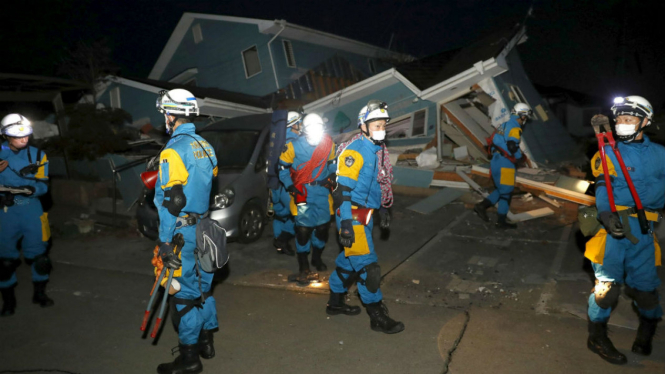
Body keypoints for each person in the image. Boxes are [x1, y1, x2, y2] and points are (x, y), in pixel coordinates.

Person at [585, 96, 662, 365]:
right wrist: (606, 214)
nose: (621, 124)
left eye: (628, 119)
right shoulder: (608, 151)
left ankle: (648, 329)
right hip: (613, 227)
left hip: (644, 229)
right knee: (607, 288)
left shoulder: (661, 155)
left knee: (646, 289)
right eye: (618, 119)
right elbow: (603, 185)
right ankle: (596, 336)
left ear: (645, 122)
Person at [154, 89, 219, 374]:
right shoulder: (205, 145)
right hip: (206, 226)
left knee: (183, 295)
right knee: (204, 288)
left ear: (170, 115)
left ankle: (190, 359)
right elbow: (207, 180)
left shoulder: (172, 150)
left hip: (182, 232)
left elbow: (174, 200)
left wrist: (165, 241)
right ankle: (207, 341)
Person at [327, 100, 404, 334]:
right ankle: (376, 315)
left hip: (367, 214)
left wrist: (382, 209)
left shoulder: (377, 149)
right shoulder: (355, 151)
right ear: (363, 126)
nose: (381, 128)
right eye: (376, 124)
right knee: (368, 268)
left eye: (383, 124)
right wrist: (347, 225)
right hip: (352, 215)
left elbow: (379, 183)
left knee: (349, 263)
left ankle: (335, 302)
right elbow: (342, 192)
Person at [0, 114, 52, 317]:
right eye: (17, 135)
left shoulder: (38, 155)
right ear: (5, 135)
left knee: (40, 257)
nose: (24, 139)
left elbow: (44, 184)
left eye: (27, 135)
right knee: (4, 261)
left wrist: (32, 189)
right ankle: (8, 301)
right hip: (5, 212)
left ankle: (39, 294)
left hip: (32, 209)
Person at [278, 113, 336, 286]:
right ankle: (303, 265)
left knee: (322, 228)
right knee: (303, 231)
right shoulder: (292, 146)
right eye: (311, 128)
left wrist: (332, 175)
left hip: (322, 191)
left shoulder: (328, 144)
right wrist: (290, 186)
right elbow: (282, 168)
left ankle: (316, 258)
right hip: (302, 191)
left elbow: (333, 162)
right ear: (303, 129)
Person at [474, 102, 532, 229]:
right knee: (506, 193)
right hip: (505, 164)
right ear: (521, 116)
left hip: (495, 161)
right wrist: (519, 158)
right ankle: (501, 221)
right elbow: (512, 145)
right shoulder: (515, 128)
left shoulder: (503, 125)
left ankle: (482, 206)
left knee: (501, 189)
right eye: (525, 117)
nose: (525, 120)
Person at [270, 111, 303, 256]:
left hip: (274, 184)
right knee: (299, 216)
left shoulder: (277, 139)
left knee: (280, 215)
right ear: (294, 124)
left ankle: (279, 245)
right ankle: (282, 240)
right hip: (287, 185)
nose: (301, 125)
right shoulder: (294, 142)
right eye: (299, 123)